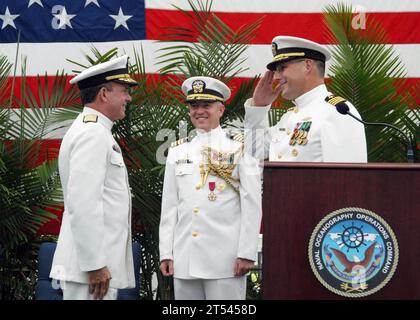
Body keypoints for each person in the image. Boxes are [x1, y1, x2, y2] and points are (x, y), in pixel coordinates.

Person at [159, 76, 262, 300]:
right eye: (194, 106)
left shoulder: (240, 149)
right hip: (185, 259)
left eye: (206, 105)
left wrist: (246, 253)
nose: (199, 111)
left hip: (225, 261)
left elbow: (252, 205)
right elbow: (170, 207)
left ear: (220, 110)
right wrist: (166, 252)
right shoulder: (177, 151)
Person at [49, 55, 138, 300]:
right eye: (124, 90)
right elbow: (83, 203)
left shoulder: (95, 131)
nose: (128, 98)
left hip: (92, 268)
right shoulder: (93, 134)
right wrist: (95, 264)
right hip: (90, 270)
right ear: (104, 94)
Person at [244, 35, 367, 162]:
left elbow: (345, 178)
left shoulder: (337, 112)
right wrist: (258, 107)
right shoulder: (289, 117)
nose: (276, 77)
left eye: (282, 68)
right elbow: (255, 152)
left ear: (307, 65)